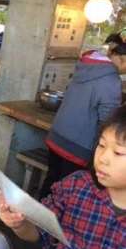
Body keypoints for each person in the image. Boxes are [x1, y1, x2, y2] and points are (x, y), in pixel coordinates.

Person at [0, 104, 126, 249]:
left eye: (118, 152)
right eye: (101, 145)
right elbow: (38, 232)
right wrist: (19, 223)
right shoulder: (77, 186)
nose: (103, 158)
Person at [40, 42, 126, 198]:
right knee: (67, 193)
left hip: (57, 137)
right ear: (123, 59)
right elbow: (108, 122)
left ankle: (38, 210)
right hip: (78, 148)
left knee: (51, 182)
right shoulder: (111, 80)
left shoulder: (86, 67)